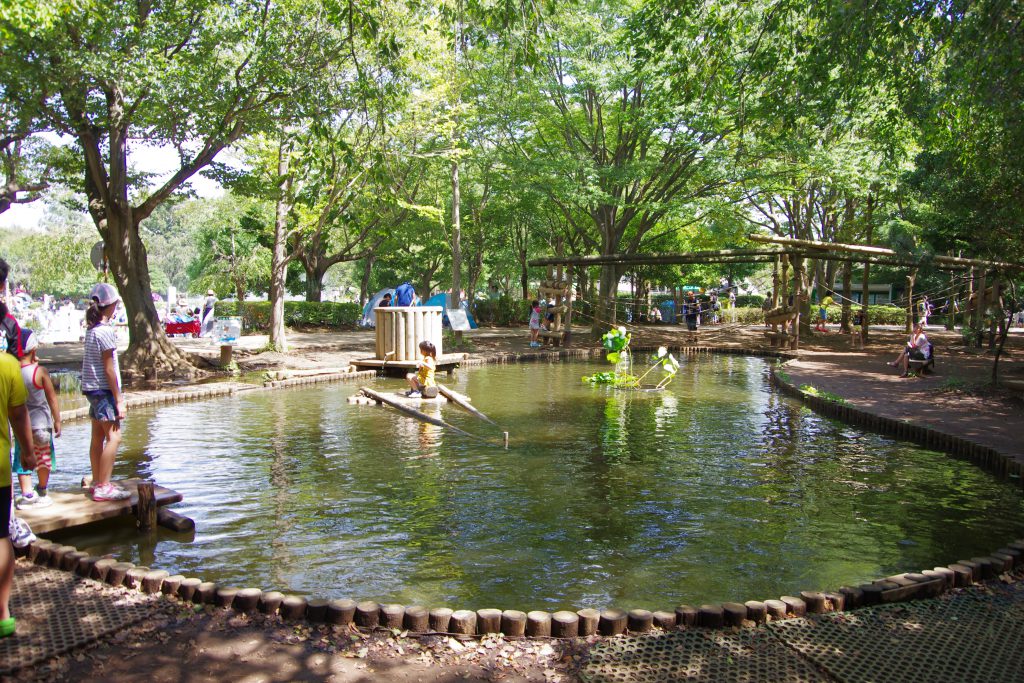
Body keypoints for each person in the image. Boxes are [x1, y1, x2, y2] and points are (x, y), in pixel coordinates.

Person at [1, 305, 35, 639]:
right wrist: (27, 452)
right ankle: (3, 614)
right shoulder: (9, 366)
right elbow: (19, 414)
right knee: (1, 538)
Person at [82, 283, 130, 502]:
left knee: (97, 437)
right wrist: (118, 398)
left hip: (91, 389)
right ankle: (103, 485)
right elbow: (109, 369)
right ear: (110, 305)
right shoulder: (105, 332)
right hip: (103, 390)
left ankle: (97, 481)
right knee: (115, 437)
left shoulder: (91, 330)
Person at [12, 330, 60, 509]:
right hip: (42, 425)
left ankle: (27, 494)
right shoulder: (40, 372)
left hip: (22, 427)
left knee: (22, 458)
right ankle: (42, 491)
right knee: (44, 458)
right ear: (33, 350)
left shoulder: (14, 372)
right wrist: (57, 421)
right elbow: (52, 397)